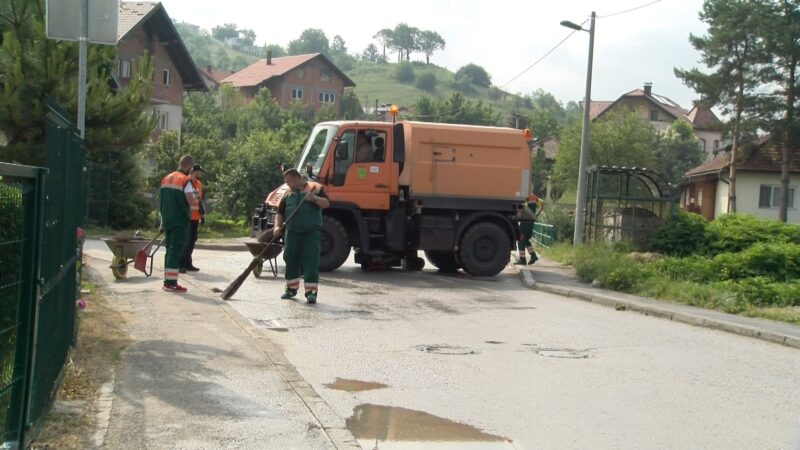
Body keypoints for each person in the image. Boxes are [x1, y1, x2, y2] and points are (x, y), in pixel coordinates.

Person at [273, 168, 330, 304]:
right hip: (292, 233)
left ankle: (311, 293)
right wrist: (277, 226)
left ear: (296, 178)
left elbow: (327, 204)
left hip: (311, 233)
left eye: (288, 181)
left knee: (311, 261)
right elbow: (280, 213)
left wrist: (314, 198)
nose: (287, 184)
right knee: (290, 259)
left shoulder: (315, 188)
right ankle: (290, 289)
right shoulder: (288, 193)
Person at [159, 155, 198, 292]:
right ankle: (171, 283)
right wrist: (195, 196)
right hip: (179, 220)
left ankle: (167, 280)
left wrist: (162, 221)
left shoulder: (166, 178)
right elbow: (190, 200)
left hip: (167, 219)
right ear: (189, 167)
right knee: (175, 251)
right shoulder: (185, 180)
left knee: (169, 250)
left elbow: (161, 201)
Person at [180, 164, 205, 273]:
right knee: (186, 240)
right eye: (200, 171)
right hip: (188, 216)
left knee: (192, 240)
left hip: (195, 217)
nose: (202, 174)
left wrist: (202, 213)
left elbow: (198, 199)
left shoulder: (198, 184)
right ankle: (181, 264)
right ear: (195, 171)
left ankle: (188, 263)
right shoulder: (187, 182)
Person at [516, 192, 543, 265]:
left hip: (525, 222)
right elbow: (542, 204)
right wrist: (536, 214)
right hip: (531, 222)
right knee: (526, 240)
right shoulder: (534, 196)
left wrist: (517, 218)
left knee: (521, 240)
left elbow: (520, 207)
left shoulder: (524, 195)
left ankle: (522, 260)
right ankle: (533, 256)